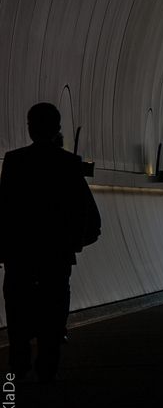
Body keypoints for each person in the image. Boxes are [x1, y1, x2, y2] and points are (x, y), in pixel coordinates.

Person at [0, 102, 101, 382]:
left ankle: (18, 362)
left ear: (30, 128)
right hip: (56, 254)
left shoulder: (14, 161)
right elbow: (85, 211)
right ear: (56, 129)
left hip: (20, 254)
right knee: (54, 308)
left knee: (18, 308)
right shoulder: (68, 164)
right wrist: (73, 242)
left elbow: (5, 208)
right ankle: (48, 363)